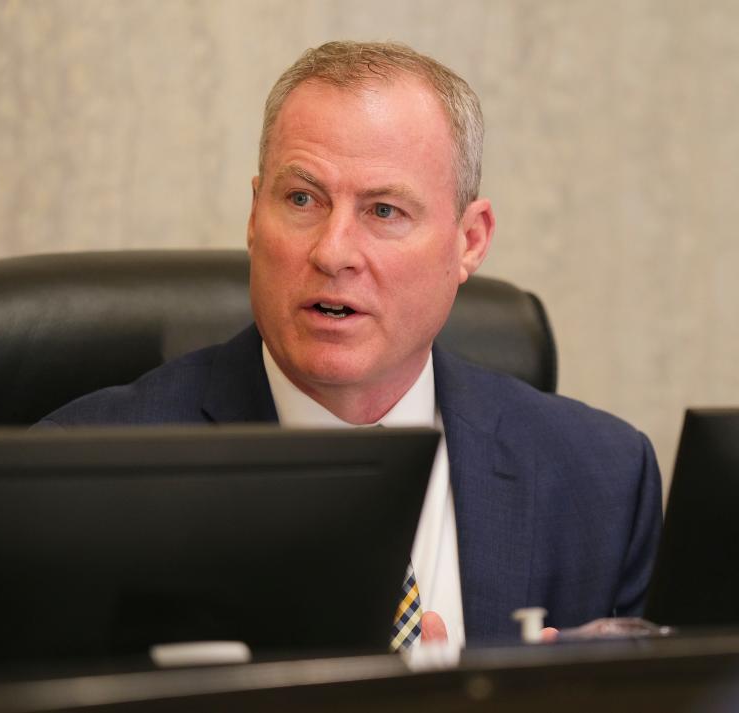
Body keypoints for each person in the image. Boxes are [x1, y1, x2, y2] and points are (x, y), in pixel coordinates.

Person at [39, 41, 662, 647]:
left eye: (384, 210)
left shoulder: (604, 478)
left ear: (469, 240)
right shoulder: (77, 479)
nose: (333, 251)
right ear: (255, 216)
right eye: (302, 199)